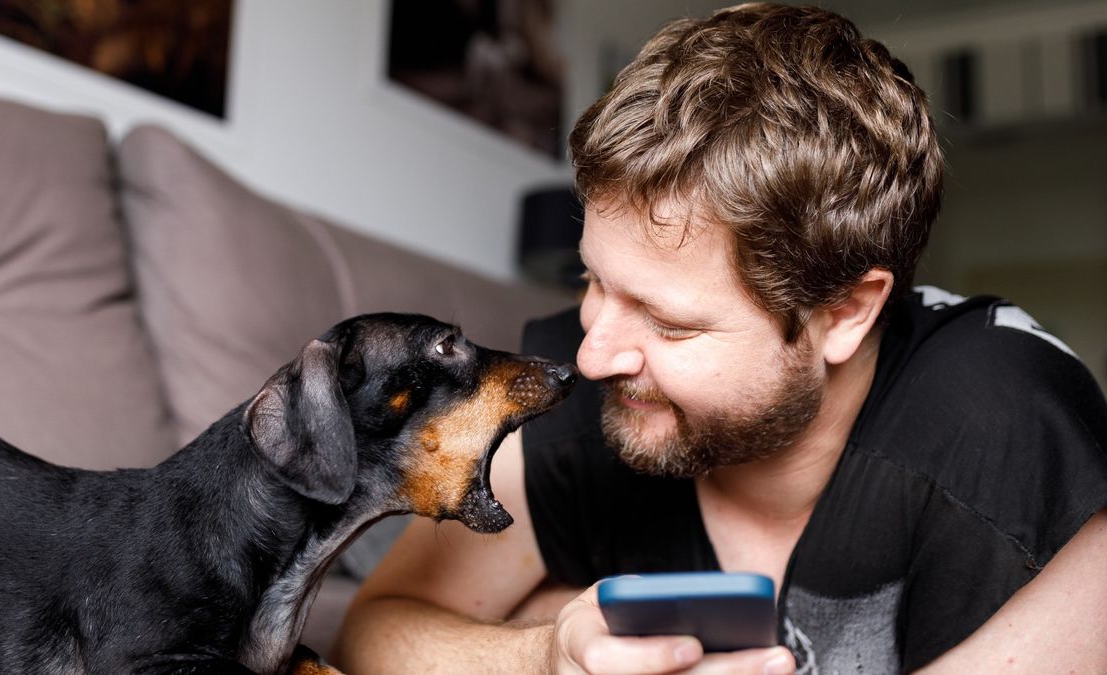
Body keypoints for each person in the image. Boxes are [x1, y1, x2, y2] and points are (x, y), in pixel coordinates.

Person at [333, 4, 1107, 673]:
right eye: (593, 282)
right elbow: (376, 626)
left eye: (669, 322)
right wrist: (542, 651)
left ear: (844, 313)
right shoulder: (581, 386)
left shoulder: (999, 422)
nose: (594, 354)